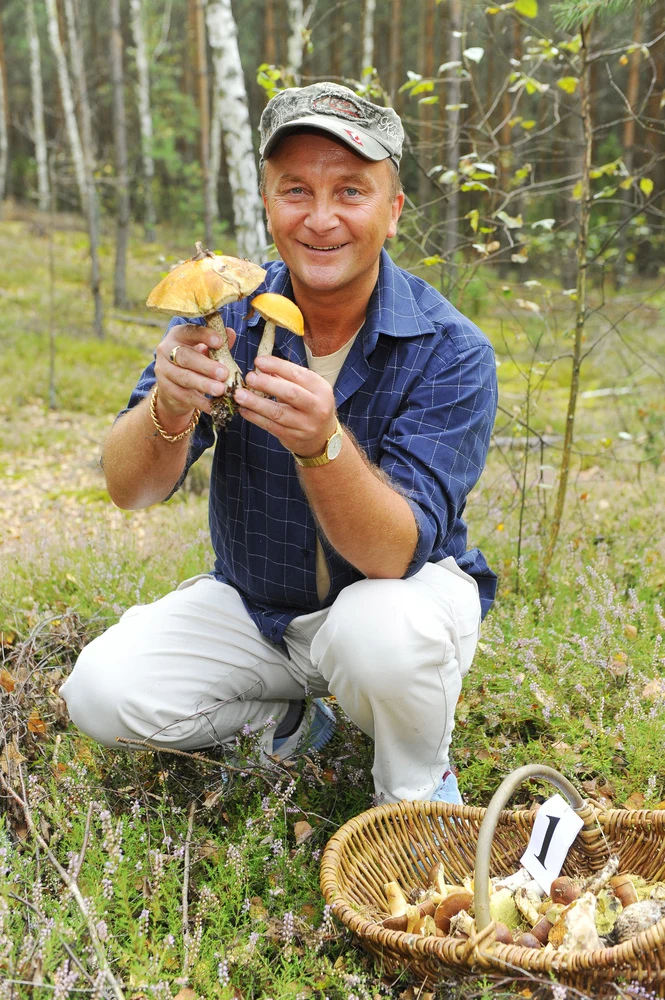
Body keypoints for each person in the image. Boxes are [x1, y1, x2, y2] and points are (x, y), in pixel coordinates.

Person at [61, 83, 498, 805]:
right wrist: (169, 405)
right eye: (295, 189)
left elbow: (393, 555)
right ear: (267, 204)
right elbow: (129, 488)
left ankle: (416, 792)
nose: (320, 218)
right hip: (256, 607)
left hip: (394, 602)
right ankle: (290, 723)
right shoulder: (224, 315)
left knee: (376, 635)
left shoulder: (450, 350)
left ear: (391, 213)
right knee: (102, 694)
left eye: (350, 191)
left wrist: (322, 444)